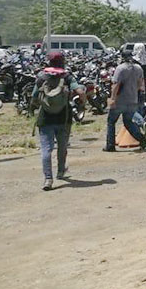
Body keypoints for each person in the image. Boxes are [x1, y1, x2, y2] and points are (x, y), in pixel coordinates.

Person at [32, 52, 85, 191]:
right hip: (63, 117)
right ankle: (61, 171)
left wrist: (34, 107)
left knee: (46, 149)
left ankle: (48, 179)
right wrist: (82, 103)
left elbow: (34, 96)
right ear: (62, 62)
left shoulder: (41, 76)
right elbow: (80, 91)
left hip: (45, 118)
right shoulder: (66, 76)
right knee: (62, 147)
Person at [104, 49, 146, 151]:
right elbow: (140, 84)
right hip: (132, 99)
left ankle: (110, 145)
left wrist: (112, 99)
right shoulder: (138, 68)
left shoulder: (120, 69)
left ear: (122, 57)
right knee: (128, 123)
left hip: (120, 100)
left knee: (111, 121)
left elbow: (115, 85)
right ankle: (141, 139)